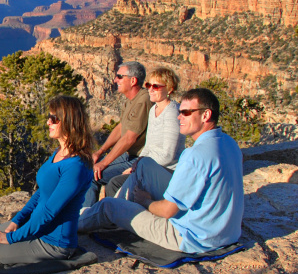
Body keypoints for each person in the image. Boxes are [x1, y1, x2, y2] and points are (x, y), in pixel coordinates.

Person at [78, 88, 244, 253]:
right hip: (226, 233)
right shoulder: (228, 143)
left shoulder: (195, 155)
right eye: (179, 112)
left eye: (186, 112)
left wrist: (145, 202)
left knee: (108, 206)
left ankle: (77, 222)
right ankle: (119, 210)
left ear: (206, 115)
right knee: (145, 164)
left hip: (191, 237)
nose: (179, 117)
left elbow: (167, 211)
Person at [0, 96, 94, 266]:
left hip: (53, 242)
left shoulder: (76, 167)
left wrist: (12, 238)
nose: (48, 123)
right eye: (49, 118)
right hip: (36, 226)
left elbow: (49, 212)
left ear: (70, 121)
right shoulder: (59, 153)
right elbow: (41, 193)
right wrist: (17, 220)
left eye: (54, 119)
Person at [105, 67, 186, 198]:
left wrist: (139, 167)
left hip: (166, 171)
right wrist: (135, 166)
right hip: (148, 166)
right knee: (116, 183)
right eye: (148, 85)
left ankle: (117, 216)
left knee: (115, 184)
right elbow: (148, 146)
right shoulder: (154, 109)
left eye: (156, 86)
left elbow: (168, 155)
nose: (151, 89)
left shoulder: (172, 112)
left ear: (170, 89)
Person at [82, 61, 153, 208]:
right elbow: (121, 128)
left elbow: (129, 138)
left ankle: (87, 219)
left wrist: (104, 163)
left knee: (92, 176)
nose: (115, 80)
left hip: (140, 159)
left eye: (120, 77)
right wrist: (100, 152)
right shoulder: (131, 101)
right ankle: (95, 215)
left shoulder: (143, 100)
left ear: (133, 80)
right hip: (129, 155)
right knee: (91, 168)